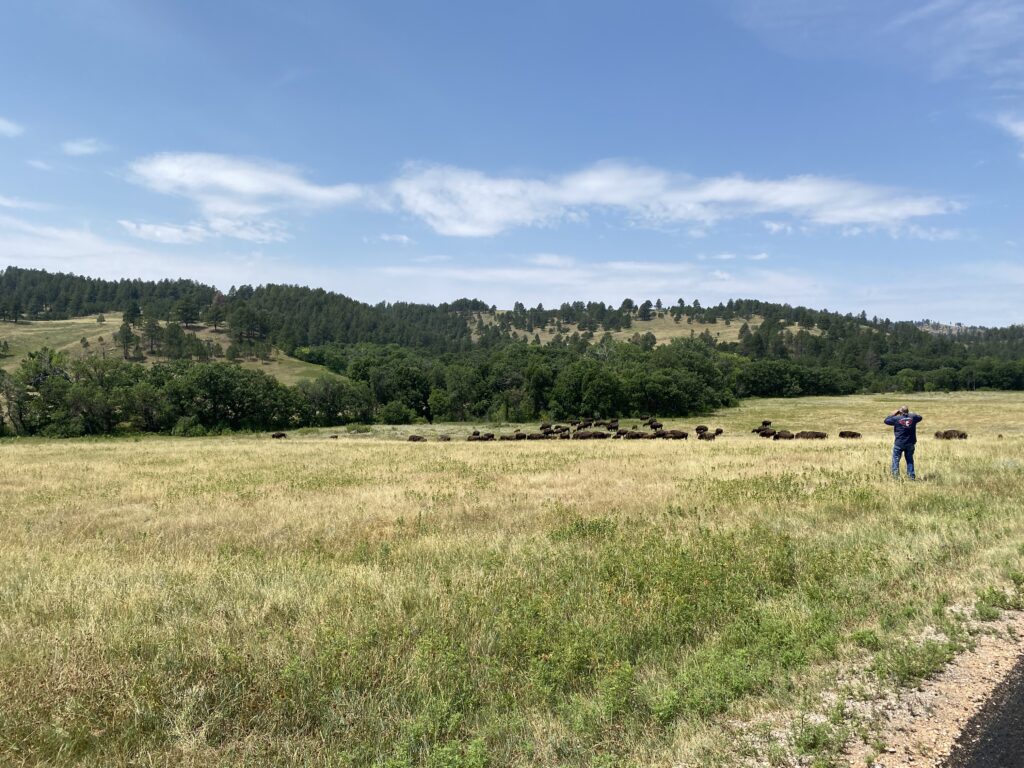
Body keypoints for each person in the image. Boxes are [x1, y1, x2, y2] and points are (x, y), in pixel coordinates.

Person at [884, 405, 923, 479]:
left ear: (900, 412)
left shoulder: (896, 418)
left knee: (896, 460)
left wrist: (893, 414)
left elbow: (886, 421)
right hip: (910, 442)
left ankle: (896, 477)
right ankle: (911, 476)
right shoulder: (913, 417)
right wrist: (911, 413)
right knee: (909, 460)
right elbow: (920, 417)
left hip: (899, 443)